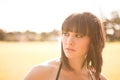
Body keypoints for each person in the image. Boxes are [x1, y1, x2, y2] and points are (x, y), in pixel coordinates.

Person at [24, 12, 107, 80]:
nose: (69, 42)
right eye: (66, 34)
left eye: (78, 35)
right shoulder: (41, 72)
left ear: (93, 41)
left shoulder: (99, 78)